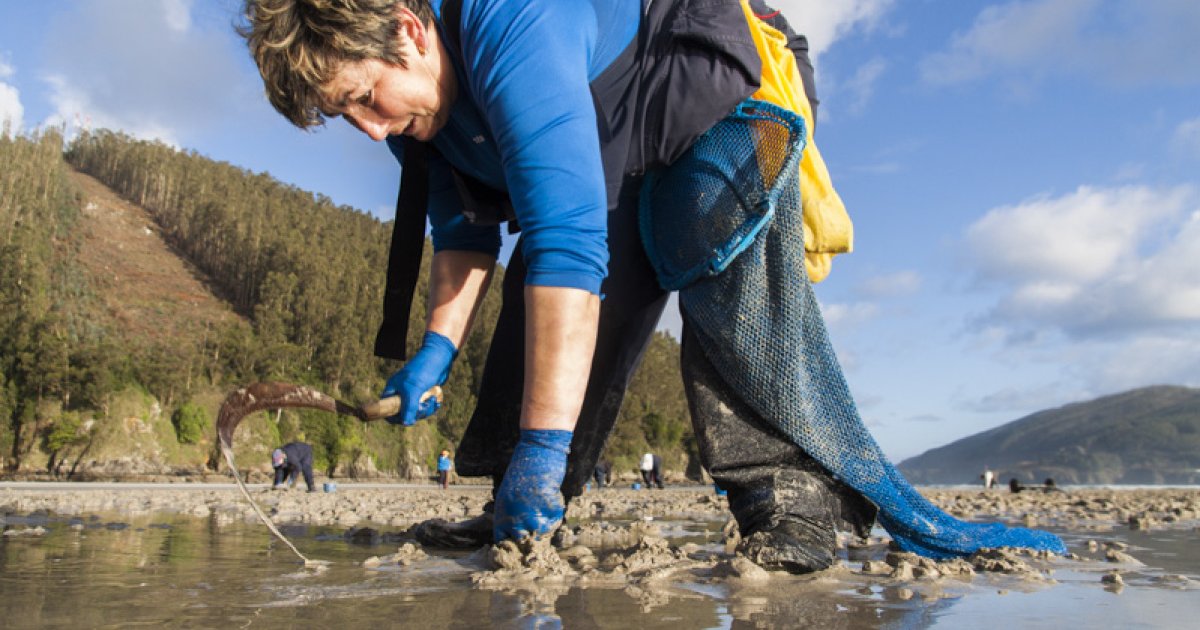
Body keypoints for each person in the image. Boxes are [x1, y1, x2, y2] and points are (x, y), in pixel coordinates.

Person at [242, 0, 1066, 571]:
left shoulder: (510, 24)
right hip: (610, 132)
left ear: (409, 29)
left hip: (701, 74)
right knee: (565, 277)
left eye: (363, 99)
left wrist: (543, 445)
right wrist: (436, 349)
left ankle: (787, 495)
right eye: (344, 114)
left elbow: (568, 242)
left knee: (696, 215)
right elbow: (464, 231)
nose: (370, 129)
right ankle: (524, 504)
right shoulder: (406, 111)